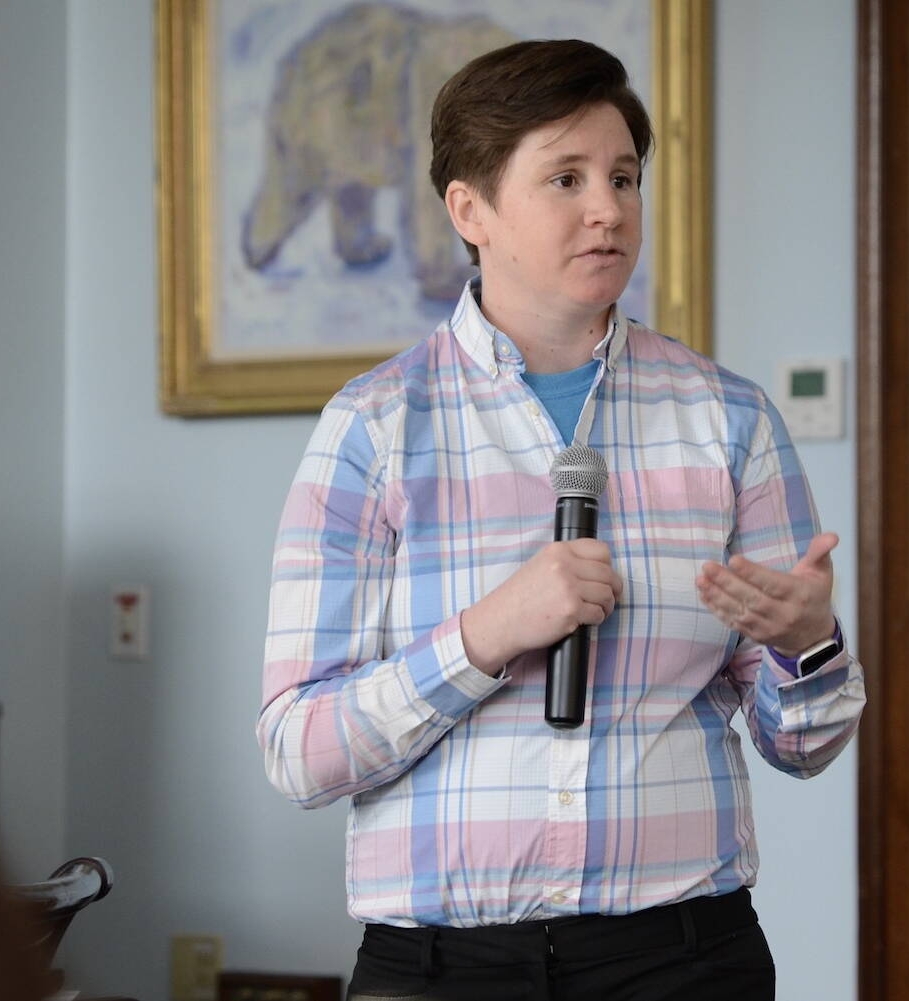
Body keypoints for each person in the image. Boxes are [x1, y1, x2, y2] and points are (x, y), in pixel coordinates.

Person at [258, 38, 864, 1000]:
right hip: (439, 969)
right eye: (567, 177)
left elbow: (803, 746)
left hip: (682, 960)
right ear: (471, 210)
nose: (609, 209)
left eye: (624, 177)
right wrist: (486, 635)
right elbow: (300, 752)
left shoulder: (730, 418)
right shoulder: (371, 429)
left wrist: (809, 644)